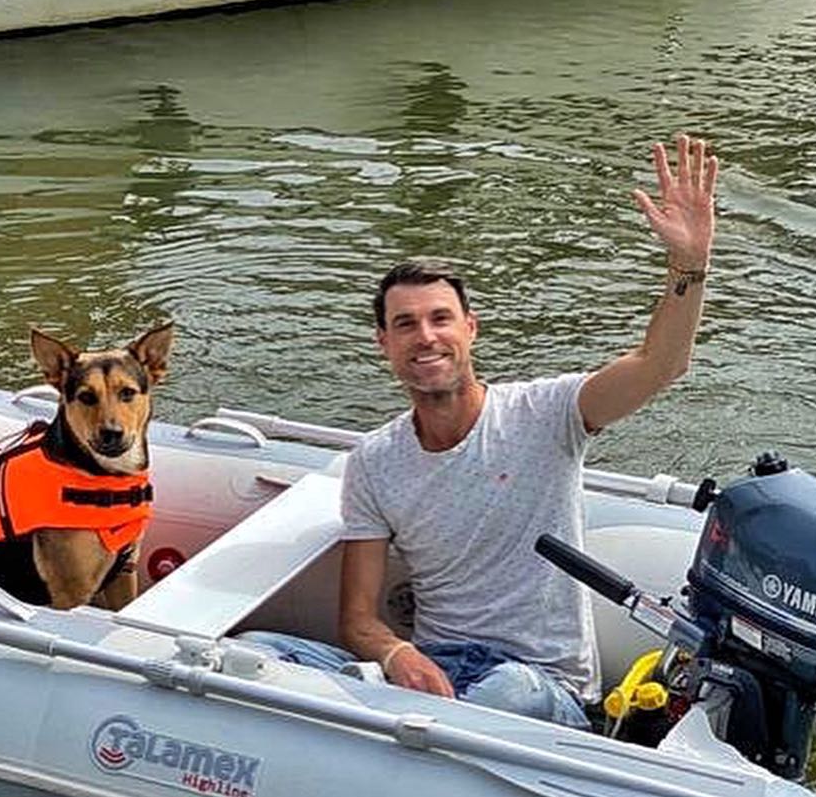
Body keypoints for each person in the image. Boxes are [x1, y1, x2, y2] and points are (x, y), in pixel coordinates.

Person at [247, 133, 717, 727]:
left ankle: (387, 725)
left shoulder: (547, 414)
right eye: (406, 324)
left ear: (470, 328)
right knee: (257, 650)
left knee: (504, 695)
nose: (426, 336)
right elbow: (358, 622)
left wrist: (689, 264)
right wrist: (398, 654)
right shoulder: (374, 461)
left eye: (441, 319)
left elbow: (660, 365)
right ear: (384, 344)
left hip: (537, 683)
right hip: (437, 669)